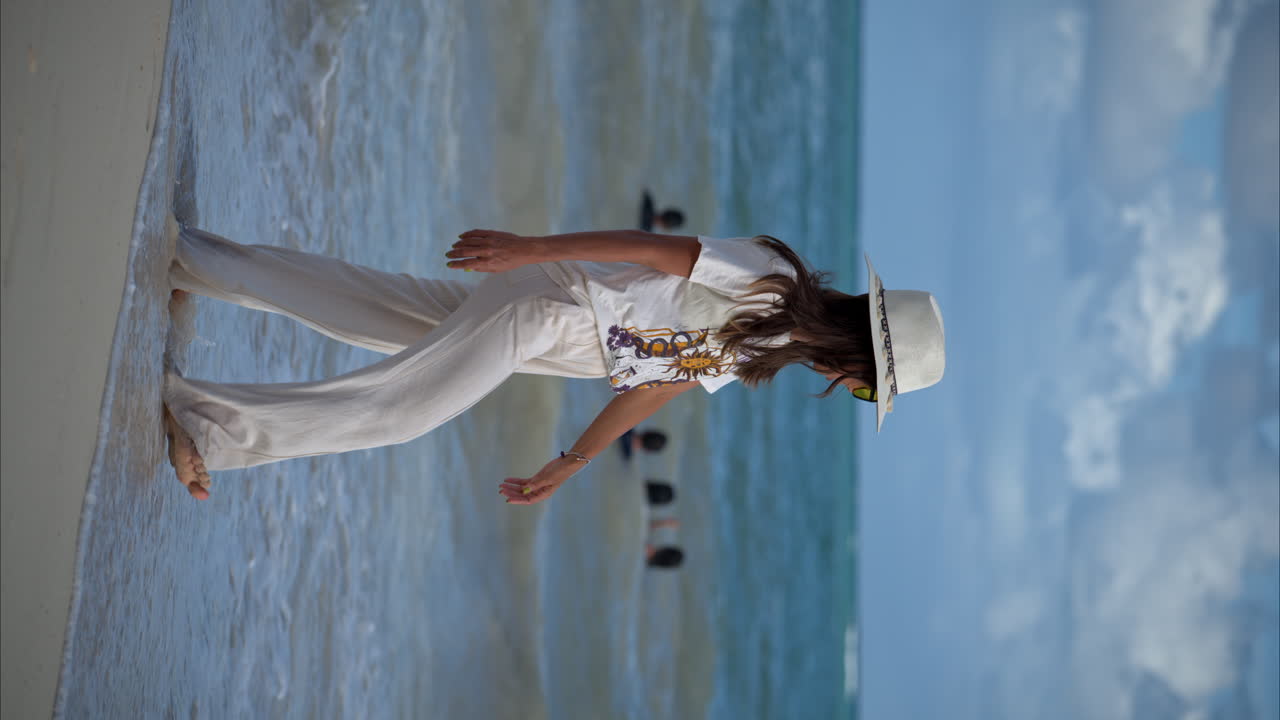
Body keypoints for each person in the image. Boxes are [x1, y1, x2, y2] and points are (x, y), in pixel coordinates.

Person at [162, 226, 946, 503]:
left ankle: (192, 259)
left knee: (373, 310)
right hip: (552, 307)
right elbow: (652, 250)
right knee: (403, 413)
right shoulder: (770, 279)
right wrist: (535, 248)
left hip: (547, 338)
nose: (851, 391)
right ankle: (210, 428)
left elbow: (660, 385)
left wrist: (572, 462)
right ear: (864, 354)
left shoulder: (774, 346)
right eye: (868, 386)